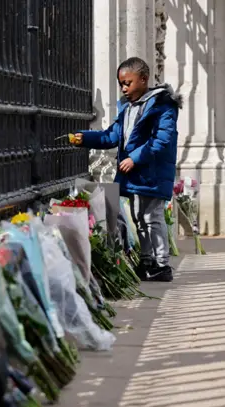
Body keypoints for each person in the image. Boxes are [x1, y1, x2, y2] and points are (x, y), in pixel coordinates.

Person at [69, 57, 182, 282]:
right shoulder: (127, 107)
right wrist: (85, 138)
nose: (123, 88)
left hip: (153, 172)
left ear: (143, 79)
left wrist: (134, 159)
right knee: (139, 217)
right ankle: (147, 260)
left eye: (127, 83)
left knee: (152, 216)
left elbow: (161, 140)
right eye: (121, 83)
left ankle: (162, 264)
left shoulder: (163, 106)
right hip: (136, 175)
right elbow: (112, 135)